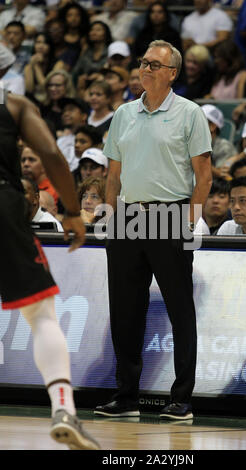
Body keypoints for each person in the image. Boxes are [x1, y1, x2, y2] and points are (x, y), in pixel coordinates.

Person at [94, 40, 212, 420]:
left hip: (172, 214)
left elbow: (204, 175)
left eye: (155, 65)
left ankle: (181, 399)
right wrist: (111, 217)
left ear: (173, 72)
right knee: (125, 311)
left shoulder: (189, 113)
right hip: (127, 217)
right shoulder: (124, 113)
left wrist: (191, 220)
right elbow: (113, 174)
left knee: (180, 309)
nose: (146, 68)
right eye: (143, 63)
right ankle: (126, 396)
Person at [0, 43, 100, 449]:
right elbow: (51, 154)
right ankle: (64, 409)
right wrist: (72, 212)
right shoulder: (15, 105)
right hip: (3, 203)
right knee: (41, 315)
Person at [24, 32, 65, 105]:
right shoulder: (29, 65)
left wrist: (36, 66)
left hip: (51, 100)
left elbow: (47, 87)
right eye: (38, 42)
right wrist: (30, 66)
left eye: (45, 43)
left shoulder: (58, 64)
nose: (40, 46)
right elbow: (29, 89)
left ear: (50, 46)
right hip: (33, 101)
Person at [71, 21, 112, 86]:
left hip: (105, 85)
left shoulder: (111, 51)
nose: (93, 33)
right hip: (86, 86)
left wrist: (101, 76)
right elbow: (75, 72)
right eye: (92, 30)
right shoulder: (86, 52)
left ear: (106, 34)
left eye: (98, 30)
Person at [56, 97, 90, 171]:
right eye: (64, 111)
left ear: (84, 116)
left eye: (71, 110)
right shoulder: (61, 141)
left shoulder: (92, 137)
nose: (66, 114)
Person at [201, 104, 236, 172]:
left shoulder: (224, 147)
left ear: (212, 126)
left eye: (198, 121)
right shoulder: (190, 142)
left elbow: (221, 174)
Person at [40, 69, 76, 134]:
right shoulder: (42, 107)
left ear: (67, 87)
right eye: (50, 85)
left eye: (57, 85)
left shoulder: (75, 108)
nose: (52, 88)